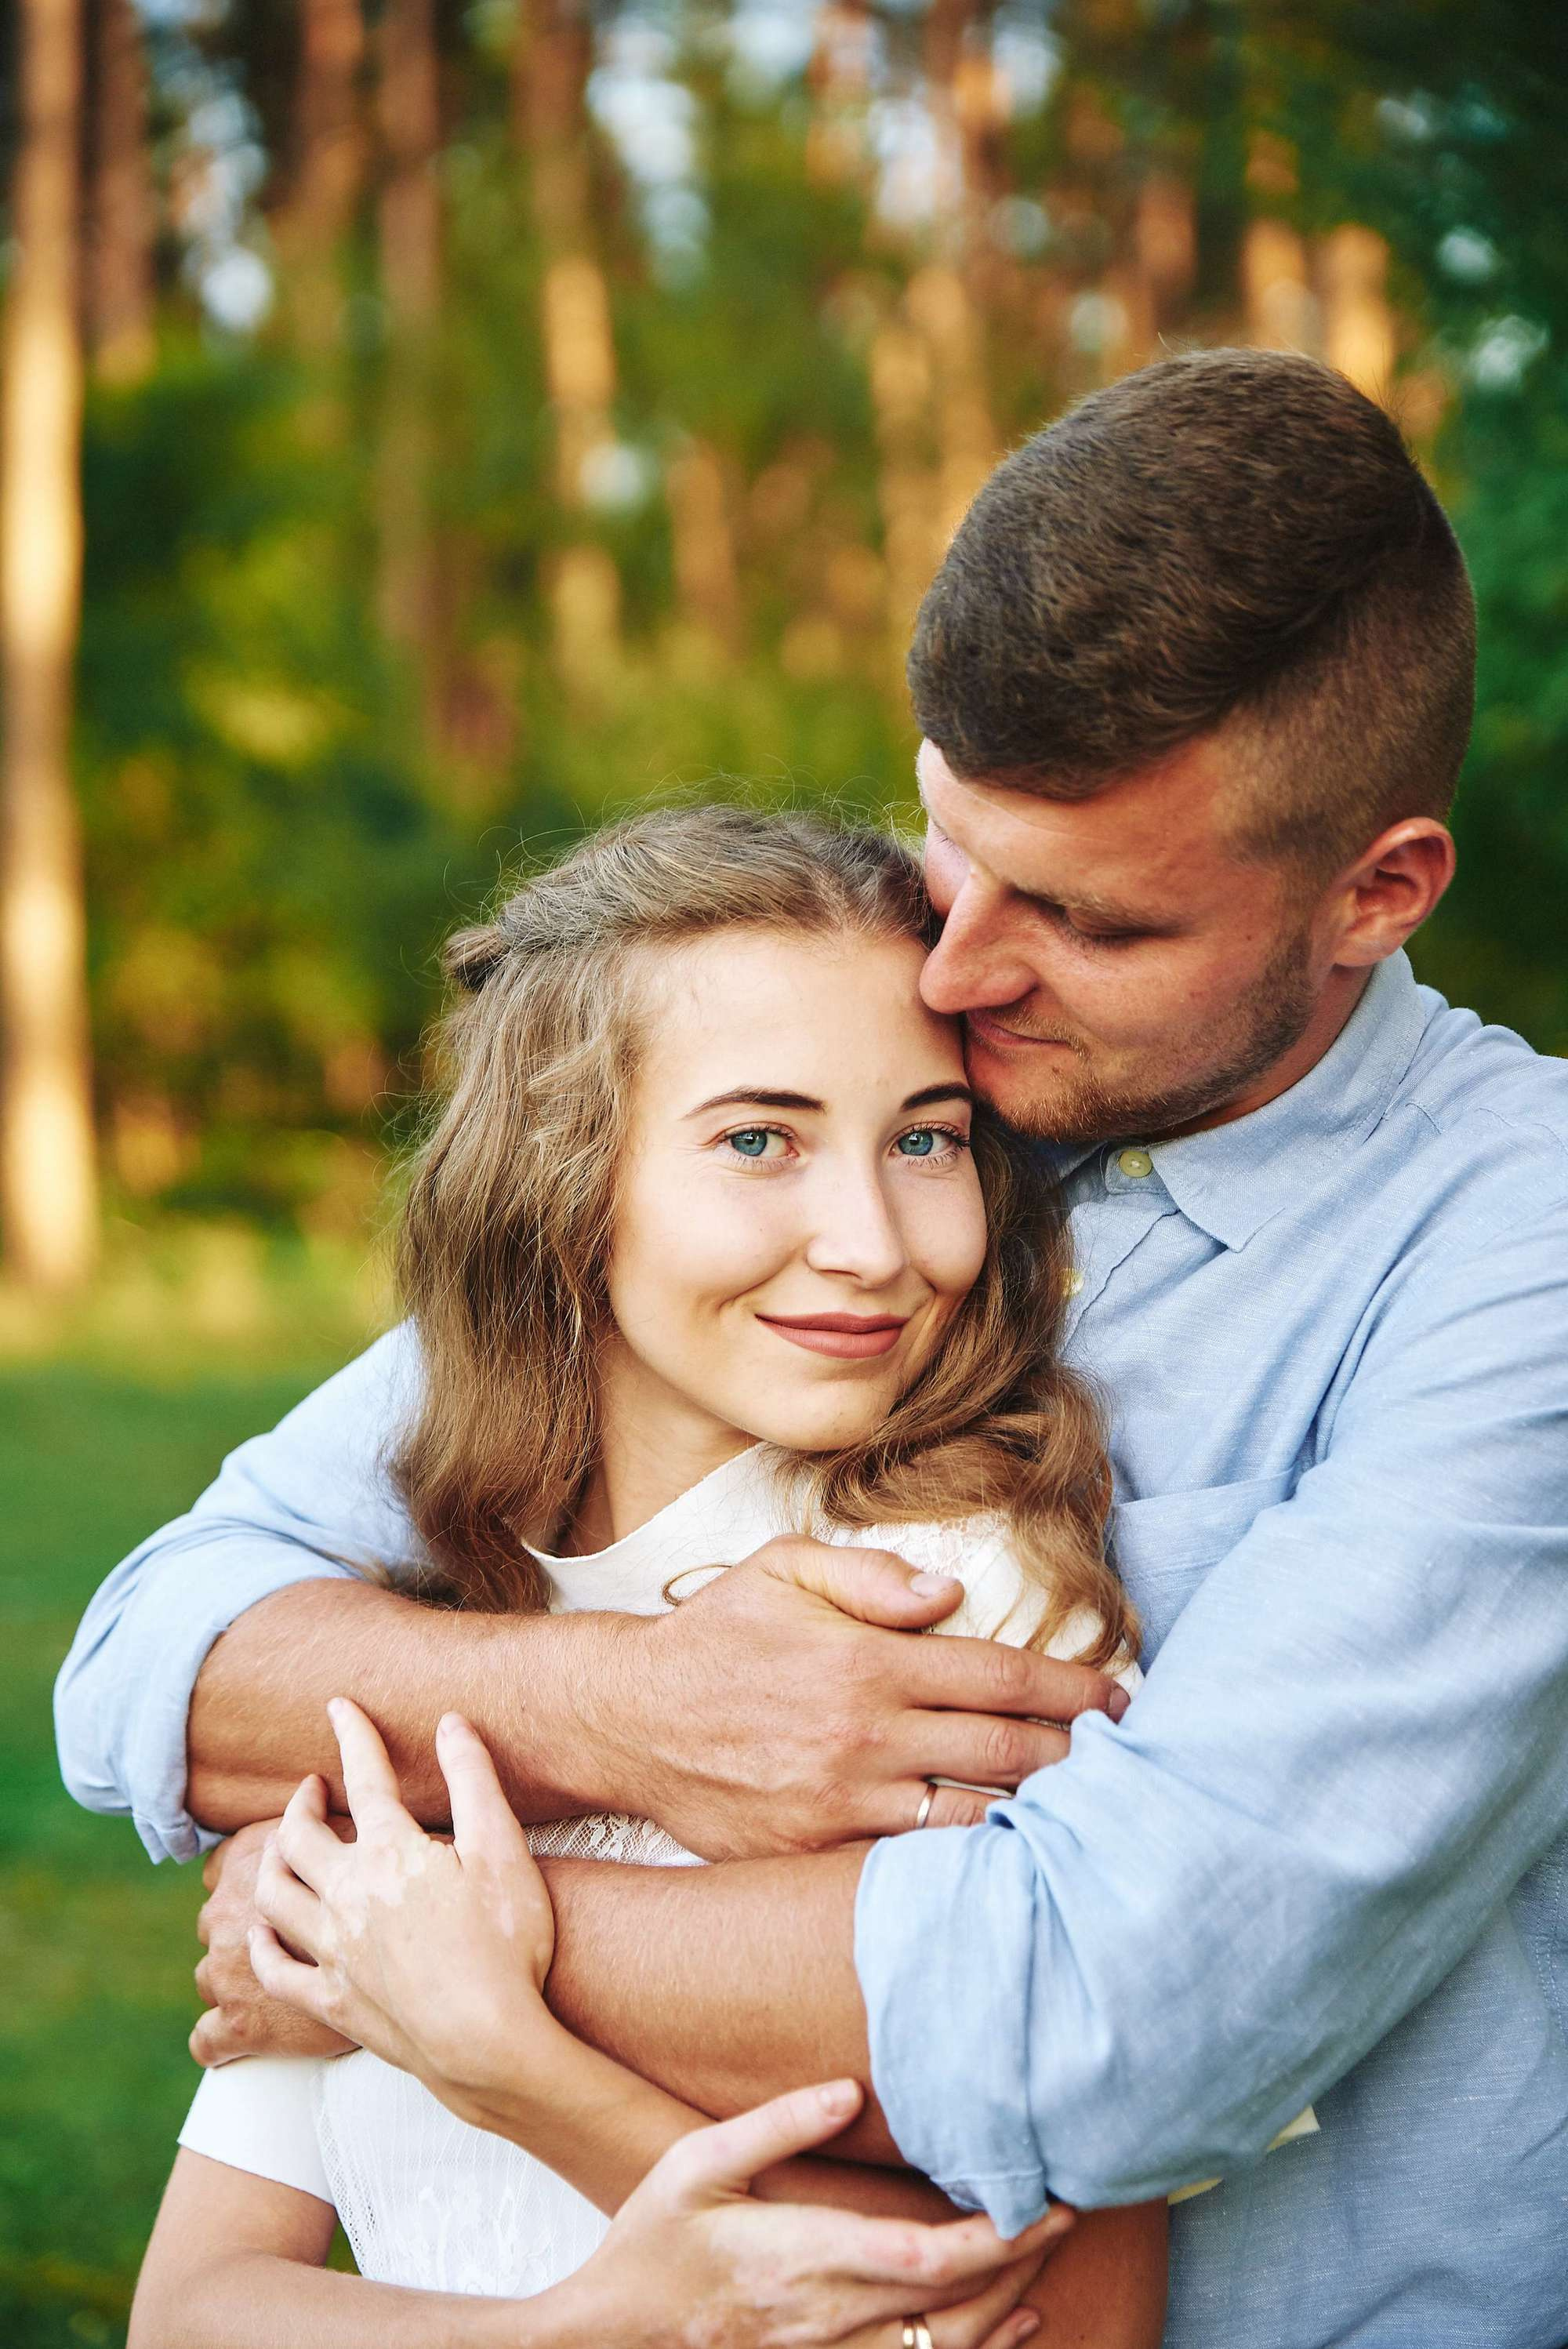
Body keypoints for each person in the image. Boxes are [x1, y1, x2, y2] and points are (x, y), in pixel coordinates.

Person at [58, 347, 1568, 2346]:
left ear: (1376, 892)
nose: (954, 972)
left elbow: (1112, 2017)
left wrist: (398, 1941)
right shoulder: (870, 1087)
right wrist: (625, 1711)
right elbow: (167, 1652)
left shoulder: (1509, 1248)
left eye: (1090, 922)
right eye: (955, 850)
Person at [124, 808, 1167, 2347]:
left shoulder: (975, 1614)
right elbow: (197, 2306)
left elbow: (1071, 2322)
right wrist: (569, 2325)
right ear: (560, 1183)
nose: (872, 1242)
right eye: (760, 1139)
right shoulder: (423, 1642)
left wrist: (504, 2058)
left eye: (925, 1138)